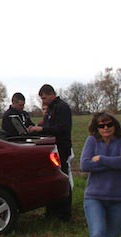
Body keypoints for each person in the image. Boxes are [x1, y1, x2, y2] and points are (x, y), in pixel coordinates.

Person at [28, 84, 73, 220]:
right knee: (51, 179)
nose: (43, 101)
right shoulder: (51, 109)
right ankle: (52, 211)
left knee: (62, 178)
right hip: (51, 148)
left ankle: (64, 213)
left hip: (61, 148)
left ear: (51, 94)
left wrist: (41, 130)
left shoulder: (61, 108)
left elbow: (62, 128)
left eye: (44, 98)